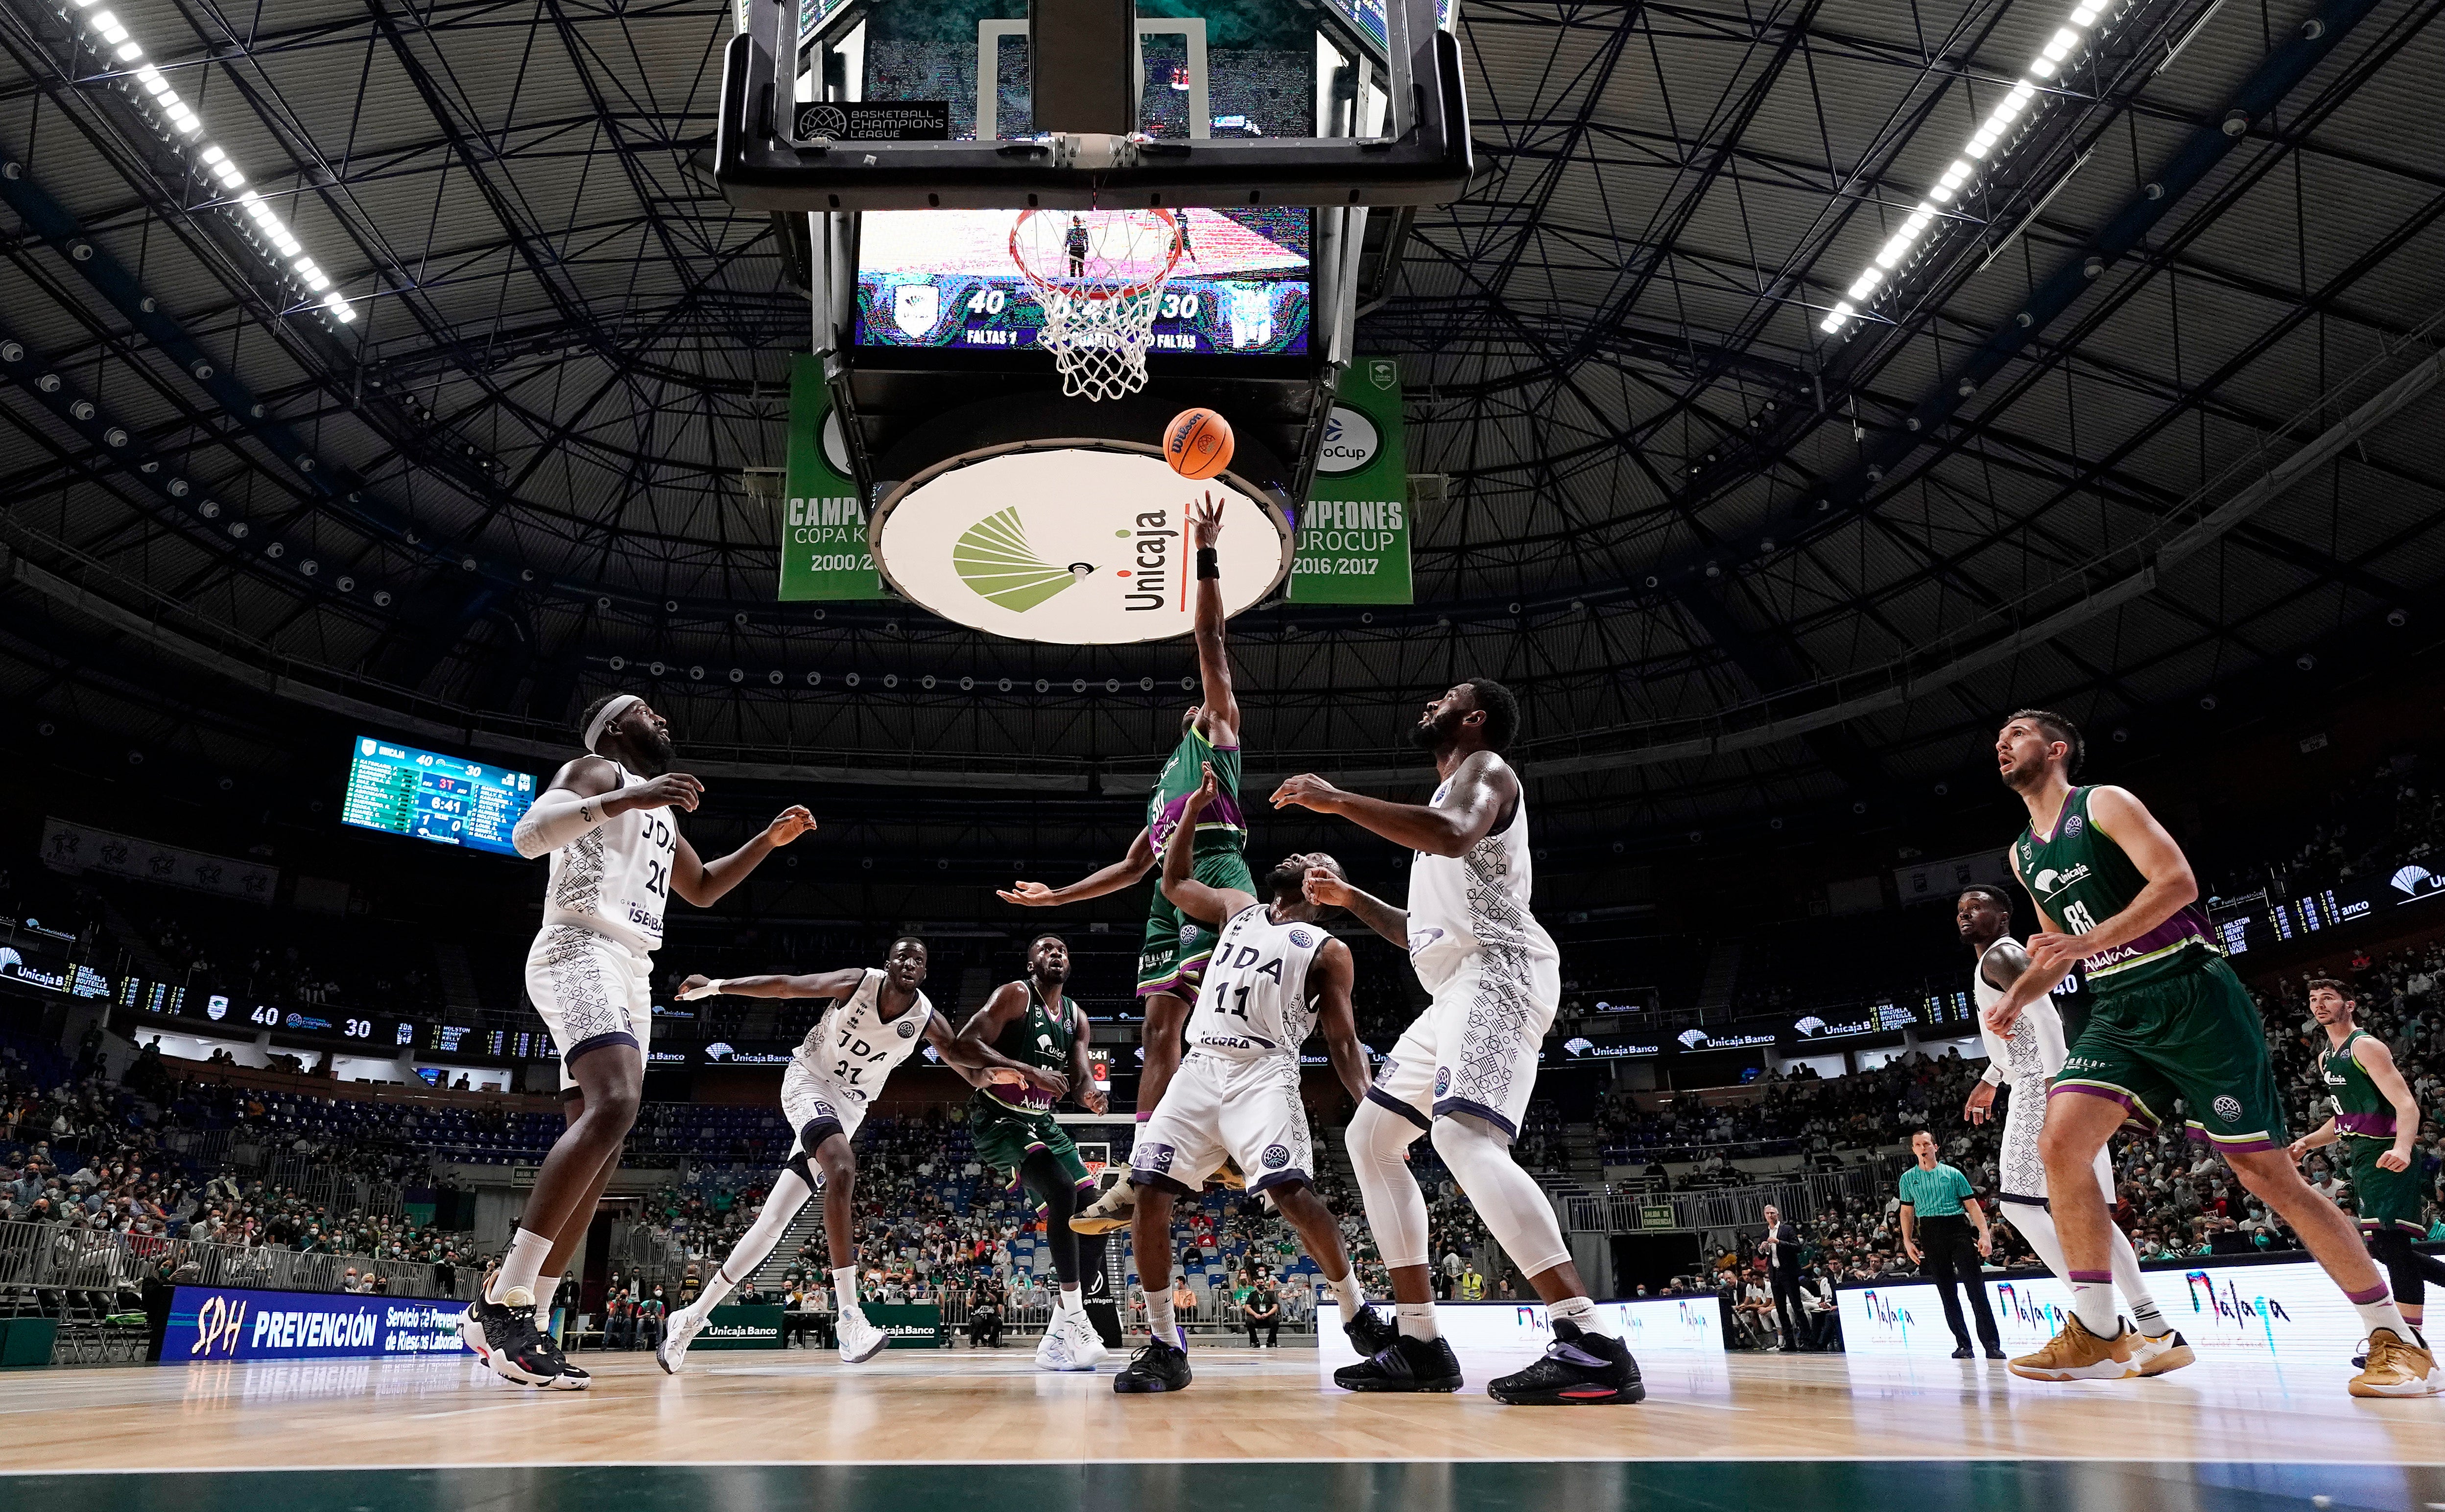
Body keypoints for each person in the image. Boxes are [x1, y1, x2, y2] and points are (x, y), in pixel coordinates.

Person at [1985, 709, 2439, 1395]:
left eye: (2016, 735)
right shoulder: (2023, 854)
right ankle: (2100, 1328)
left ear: (2056, 750)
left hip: (2189, 989)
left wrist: (2084, 943)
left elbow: (2177, 885)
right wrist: (2023, 994)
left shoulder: (2103, 804)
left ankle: (2395, 1338)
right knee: (2060, 1145)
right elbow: (2057, 946)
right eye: (1998, 740)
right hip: (2116, 1006)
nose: (2002, 744)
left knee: (2266, 1178)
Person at [1279, 680, 1641, 1405]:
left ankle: (1590, 1342)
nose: (1426, 705)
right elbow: (1419, 930)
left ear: (1472, 718)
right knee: (1370, 1139)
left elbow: (1448, 835)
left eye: (1443, 698)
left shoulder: (1485, 772)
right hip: (1452, 989)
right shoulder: (1442, 810)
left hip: (1498, 971)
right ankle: (1418, 1344)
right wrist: (1353, 902)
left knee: (1464, 1138)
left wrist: (1339, 801)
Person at [465, 692, 813, 1391]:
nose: (664, 721)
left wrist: (765, 844)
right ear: (615, 728)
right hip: (578, 946)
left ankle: (531, 1315)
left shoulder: (651, 807)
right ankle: (502, 1300)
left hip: (633, 968)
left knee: (606, 1144)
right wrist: (631, 798)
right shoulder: (597, 773)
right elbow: (527, 838)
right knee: (616, 1103)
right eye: (649, 713)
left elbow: (705, 887)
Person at [1001, 495, 1251, 1237]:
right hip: (1168, 894)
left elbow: (1210, 639)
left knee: (1215, 1017)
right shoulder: (1160, 788)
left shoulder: (1221, 735)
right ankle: (1147, 1157)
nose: (1202, 706)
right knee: (1156, 1032)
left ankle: (1230, 1138)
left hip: (1214, 875)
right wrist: (1057, 900)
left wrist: (1204, 553)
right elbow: (1128, 868)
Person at [650, 940, 1064, 1373]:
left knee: (773, 1223)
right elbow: (786, 987)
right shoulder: (857, 984)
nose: (909, 964)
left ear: (924, 973)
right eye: (902, 956)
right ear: (888, 964)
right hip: (809, 1082)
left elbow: (964, 1062)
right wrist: (716, 986)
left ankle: (691, 1317)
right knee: (843, 1168)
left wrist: (1004, 1073)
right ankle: (850, 1317)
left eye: (918, 961)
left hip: (848, 1108)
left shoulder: (925, 1017)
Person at [1108, 767, 1388, 1395]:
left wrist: (1367, 1101)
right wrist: (1195, 808)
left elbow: (1343, 1041)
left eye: (1311, 854)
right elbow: (1175, 881)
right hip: (1199, 1066)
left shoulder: (1327, 948)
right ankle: (1163, 1345)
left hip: (1264, 1072)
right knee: (1148, 1192)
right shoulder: (1238, 910)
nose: (1295, 852)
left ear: (1324, 884)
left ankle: (1356, 1312)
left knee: (1292, 1195)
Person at [1957, 883, 2192, 1375]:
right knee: (2094, 1220)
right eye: (1960, 909)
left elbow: (2044, 1013)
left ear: (2003, 915)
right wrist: (1989, 1076)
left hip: (2041, 1083)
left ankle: (2098, 1323)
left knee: (2019, 1206)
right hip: (2043, 1078)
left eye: (1976, 906)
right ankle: (2157, 1331)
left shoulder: (2001, 954)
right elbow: (2017, 1030)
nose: (1964, 914)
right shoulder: (1999, 957)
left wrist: (2050, 1086)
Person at [954, 934, 1111, 1372]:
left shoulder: (1076, 1017)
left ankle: (1055, 1337)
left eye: (1063, 948)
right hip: (999, 1117)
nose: (1056, 954)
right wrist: (1028, 1071)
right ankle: (1078, 1319)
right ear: (1031, 964)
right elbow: (965, 1043)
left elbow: (1080, 1077)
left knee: (1096, 1211)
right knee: (1061, 1193)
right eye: (1045, 949)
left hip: (1042, 1121)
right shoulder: (1015, 996)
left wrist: (1091, 1095)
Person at [2291, 977, 2445, 1353]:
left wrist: (2404, 1148)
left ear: (2350, 1003)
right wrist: (2308, 1143)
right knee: (2384, 1250)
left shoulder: (2366, 1047)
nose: (2319, 1005)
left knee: (2392, 1246)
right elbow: (2346, 1118)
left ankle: (2410, 1344)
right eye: (2313, 1000)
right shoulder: (2325, 1057)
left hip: (2386, 1154)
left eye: (2328, 997)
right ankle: (2409, 1343)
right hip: (2361, 1154)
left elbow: (2406, 1105)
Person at [1898, 1129, 2002, 1360]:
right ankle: (1963, 1344)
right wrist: (1907, 1240)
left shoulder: (1953, 1174)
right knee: (1947, 1291)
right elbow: (1907, 1211)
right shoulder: (1907, 1179)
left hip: (1957, 1229)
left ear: (1935, 1147)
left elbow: (1973, 1206)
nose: (1923, 1148)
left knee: (1975, 1288)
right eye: (1918, 1145)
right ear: (1914, 1150)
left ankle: (1992, 1344)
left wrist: (1985, 1235)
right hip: (1929, 1231)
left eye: (1926, 1143)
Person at [1759, 1204, 1806, 1351]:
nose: (1770, 1215)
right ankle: (1789, 1342)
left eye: (1772, 1213)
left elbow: (1798, 1247)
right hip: (1775, 1274)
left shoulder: (1787, 1229)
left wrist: (1779, 1242)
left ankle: (1807, 1339)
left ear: (1777, 1215)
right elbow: (1760, 1256)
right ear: (1765, 1216)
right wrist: (1762, 1248)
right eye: (1767, 1213)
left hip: (1788, 1272)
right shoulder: (1765, 1232)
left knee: (1797, 1307)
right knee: (1780, 1310)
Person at [1244, 1275, 1280, 1348]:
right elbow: (1247, 1307)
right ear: (1256, 1284)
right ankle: (1255, 1342)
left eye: (1261, 1282)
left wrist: (1268, 1314)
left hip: (1268, 1316)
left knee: (1275, 1321)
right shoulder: (1252, 1294)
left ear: (1264, 1283)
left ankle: (1270, 1342)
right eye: (1258, 1283)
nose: (1260, 1284)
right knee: (1249, 1322)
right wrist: (1255, 1314)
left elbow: (1275, 1307)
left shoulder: (1270, 1294)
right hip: (1255, 1316)